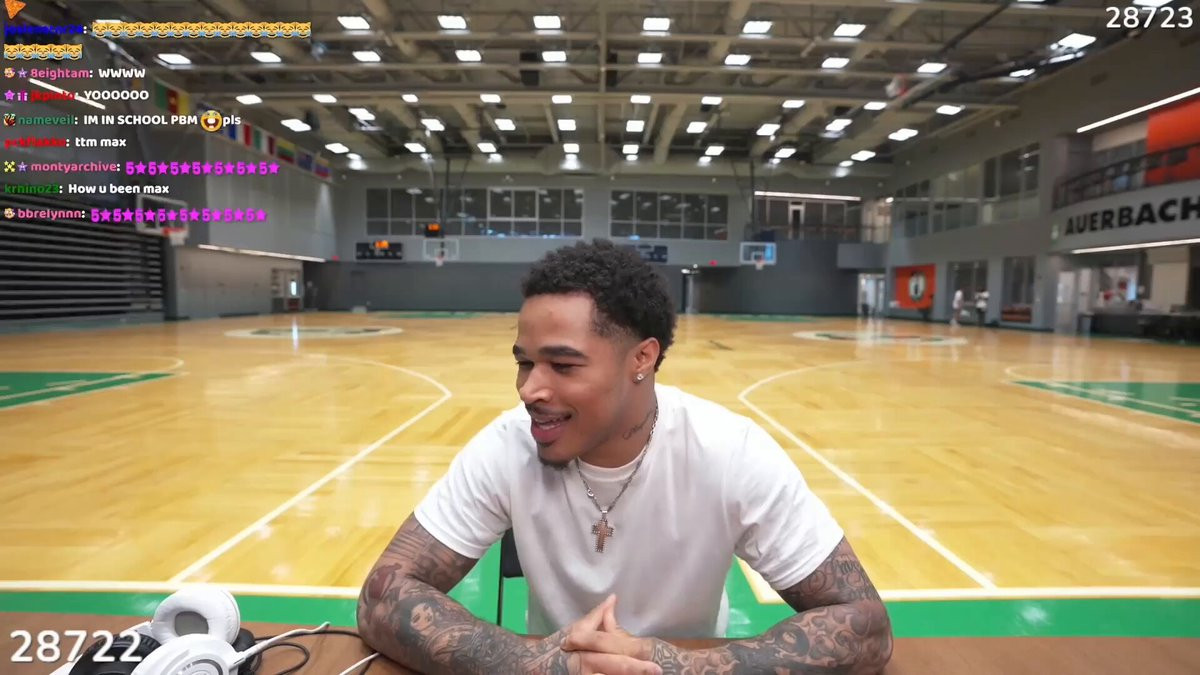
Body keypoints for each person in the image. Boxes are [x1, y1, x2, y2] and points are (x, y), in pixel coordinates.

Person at [357, 239, 893, 675]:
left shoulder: (730, 451)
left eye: (563, 366)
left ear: (642, 358)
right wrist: (531, 663)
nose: (529, 390)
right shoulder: (507, 445)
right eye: (525, 363)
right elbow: (382, 597)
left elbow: (866, 624)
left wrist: (679, 667)